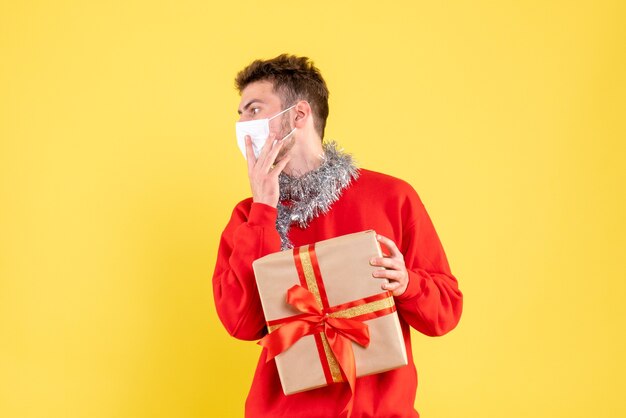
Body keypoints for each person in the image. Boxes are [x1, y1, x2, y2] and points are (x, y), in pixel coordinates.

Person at [212, 54, 463, 418]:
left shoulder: (392, 197)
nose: (241, 124)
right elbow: (242, 323)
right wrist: (264, 208)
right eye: (239, 115)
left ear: (298, 115)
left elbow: (445, 312)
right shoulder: (246, 216)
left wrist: (406, 284)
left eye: (253, 110)